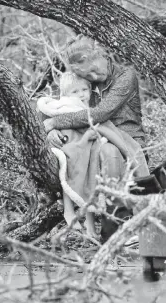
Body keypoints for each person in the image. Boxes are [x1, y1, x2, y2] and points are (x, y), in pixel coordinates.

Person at [43, 36, 148, 241]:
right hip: (94, 137)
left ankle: (116, 224)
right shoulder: (84, 84)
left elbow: (100, 114)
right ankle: (88, 215)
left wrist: (57, 122)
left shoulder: (126, 77)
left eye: (93, 69)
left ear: (102, 55)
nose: (92, 76)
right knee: (81, 150)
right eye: (85, 75)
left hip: (126, 137)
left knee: (109, 151)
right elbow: (68, 105)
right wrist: (51, 131)